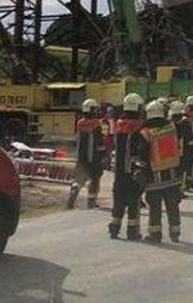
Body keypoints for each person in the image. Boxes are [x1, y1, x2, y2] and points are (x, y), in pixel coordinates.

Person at [134, 99, 184, 243]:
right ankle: (175, 232)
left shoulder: (145, 133)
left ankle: (155, 234)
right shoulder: (173, 127)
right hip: (173, 174)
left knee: (155, 207)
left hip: (154, 177)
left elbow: (142, 154)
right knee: (173, 206)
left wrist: (140, 171)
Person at [108, 93, 146, 240]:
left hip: (118, 171)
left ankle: (114, 228)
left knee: (118, 200)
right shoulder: (138, 126)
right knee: (133, 201)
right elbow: (141, 148)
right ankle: (132, 230)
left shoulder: (118, 124)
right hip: (132, 170)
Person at [68, 99, 110, 210]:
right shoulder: (97, 124)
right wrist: (104, 155)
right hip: (94, 157)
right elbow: (100, 141)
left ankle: (74, 190)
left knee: (79, 179)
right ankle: (91, 201)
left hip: (81, 156)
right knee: (95, 178)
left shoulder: (80, 123)